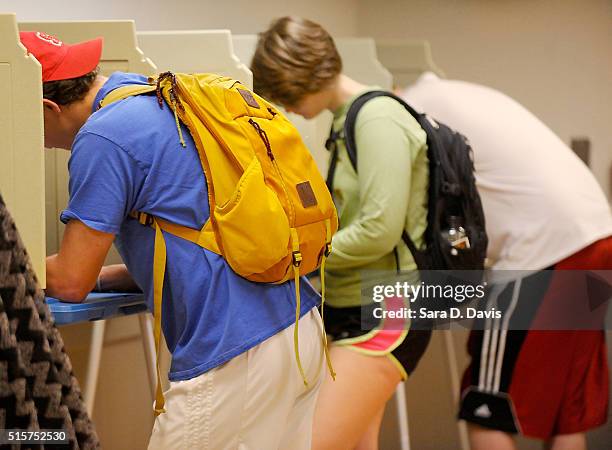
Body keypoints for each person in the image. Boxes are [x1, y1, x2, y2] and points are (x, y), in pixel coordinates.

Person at [21, 30, 325, 450]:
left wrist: (12, 265)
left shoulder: (103, 137)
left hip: (235, 351)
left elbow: (71, 280)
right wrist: (105, 276)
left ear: (43, 108)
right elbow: (195, 243)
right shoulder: (154, 98)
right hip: (295, 327)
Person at [402, 72, 612, 450]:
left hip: (542, 249)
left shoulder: (411, 111)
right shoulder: (460, 93)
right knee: (564, 409)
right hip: (598, 237)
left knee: (484, 403)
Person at [251, 17, 432, 450]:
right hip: (354, 309)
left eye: (283, 92)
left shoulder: (377, 118)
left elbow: (378, 230)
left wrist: (296, 258)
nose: (286, 106)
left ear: (299, 78)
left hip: (388, 311)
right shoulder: (347, 119)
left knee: (309, 443)